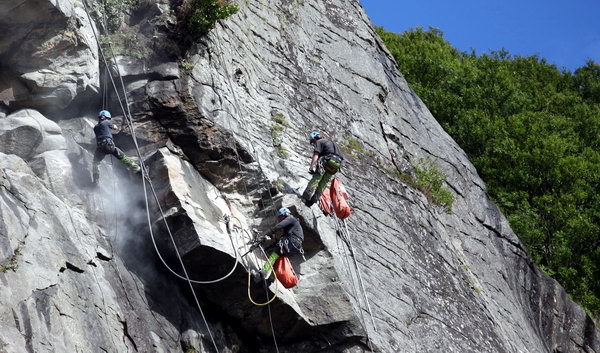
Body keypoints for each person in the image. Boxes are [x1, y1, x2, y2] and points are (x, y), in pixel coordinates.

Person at [92, 110, 140, 184]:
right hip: (108, 145)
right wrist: (114, 126)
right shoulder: (106, 122)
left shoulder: (95, 127)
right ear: (104, 117)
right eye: (108, 118)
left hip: (100, 148)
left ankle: (96, 179)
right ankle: (138, 171)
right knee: (123, 157)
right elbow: (115, 127)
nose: (108, 120)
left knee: (96, 163)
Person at [300, 131, 344, 207]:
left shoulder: (320, 142)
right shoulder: (333, 144)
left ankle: (305, 197)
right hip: (336, 164)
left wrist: (311, 168)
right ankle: (312, 201)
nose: (313, 143)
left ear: (315, 138)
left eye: (313, 141)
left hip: (327, 160)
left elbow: (316, 155)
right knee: (323, 183)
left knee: (316, 179)